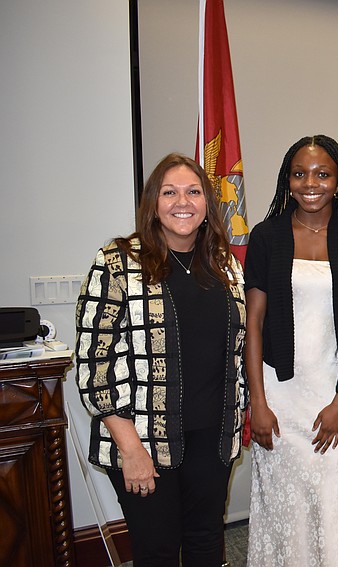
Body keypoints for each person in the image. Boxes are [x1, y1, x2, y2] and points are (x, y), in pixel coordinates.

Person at [75, 153, 247, 566]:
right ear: (153, 202)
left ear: (207, 203)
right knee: (158, 552)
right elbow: (93, 366)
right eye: (169, 192)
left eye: (193, 192)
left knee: (207, 543)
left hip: (212, 437)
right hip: (144, 442)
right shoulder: (118, 263)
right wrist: (130, 448)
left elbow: (236, 351)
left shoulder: (224, 264)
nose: (182, 201)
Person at [244, 135, 338, 566]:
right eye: (299, 173)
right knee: (279, 498)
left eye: (322, 174)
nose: (310, 183)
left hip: (329, 389)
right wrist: (257, 403)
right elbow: (255, 322)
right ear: (287, 180)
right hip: (278, 390)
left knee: (325, 492)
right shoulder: (267, 237)